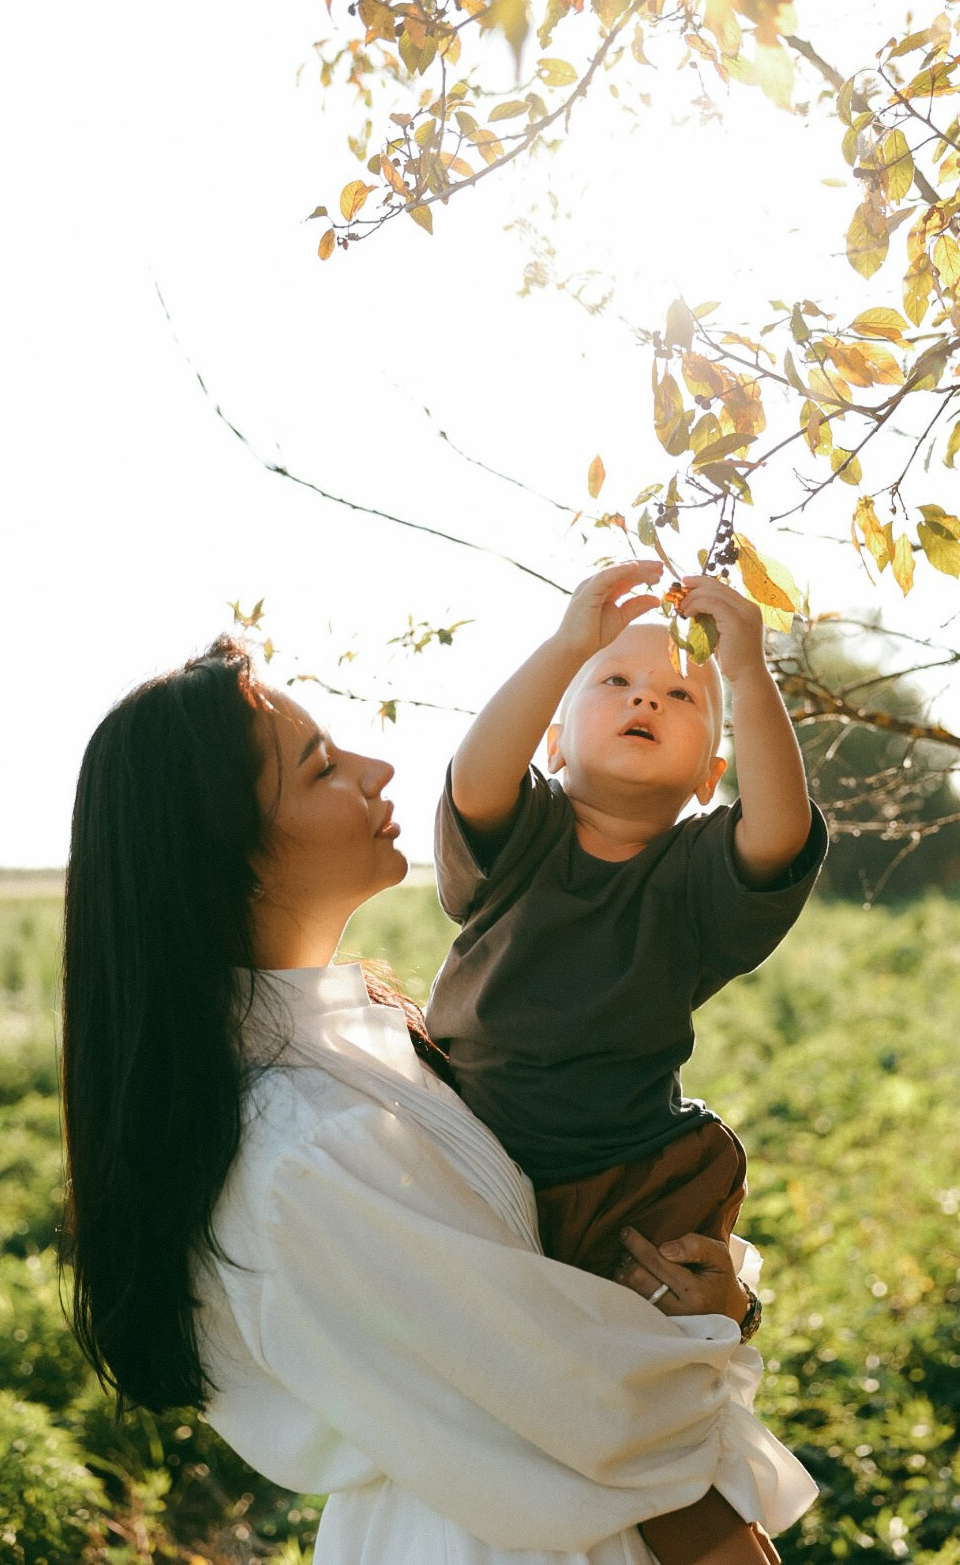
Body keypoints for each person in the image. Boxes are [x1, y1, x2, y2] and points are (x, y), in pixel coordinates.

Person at [61, 636, 818, 1565]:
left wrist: (701, 1298)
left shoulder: (367, 1035)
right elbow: (582, 1396)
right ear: (234, 852)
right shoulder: (308, 1150)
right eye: (324, 766)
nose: (381, 767)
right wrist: (704, 1332)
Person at [424, 562, 827, 1563]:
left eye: (683, 695)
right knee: (525, 1420)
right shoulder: (521, 839)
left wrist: (750, 670)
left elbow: (778, 828)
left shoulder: (694, 878)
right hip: (471, 1158)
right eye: (612, 682)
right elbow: (477, 775)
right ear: (554, 743)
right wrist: (567, 643)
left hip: (626, 1181)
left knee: (650, 1426)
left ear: (707, 778)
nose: (647, 693)